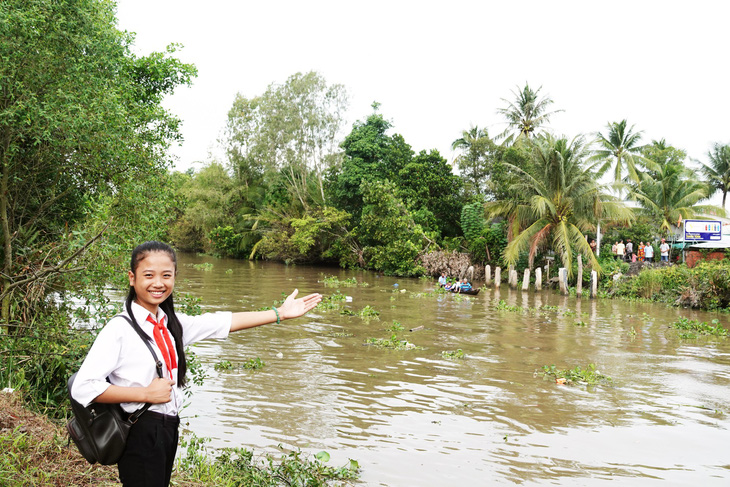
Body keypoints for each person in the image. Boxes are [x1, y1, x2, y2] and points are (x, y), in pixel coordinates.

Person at [71, 241, 322, 486]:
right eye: (148, 275)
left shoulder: (172, 324)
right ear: (132, 277)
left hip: (168, 427)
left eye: (166, 275)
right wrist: (145, 393)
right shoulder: (120, 329)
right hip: (140, 430)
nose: (158, 283)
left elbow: (224, 322)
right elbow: (83, 387)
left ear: (175, 277)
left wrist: (280, 313)